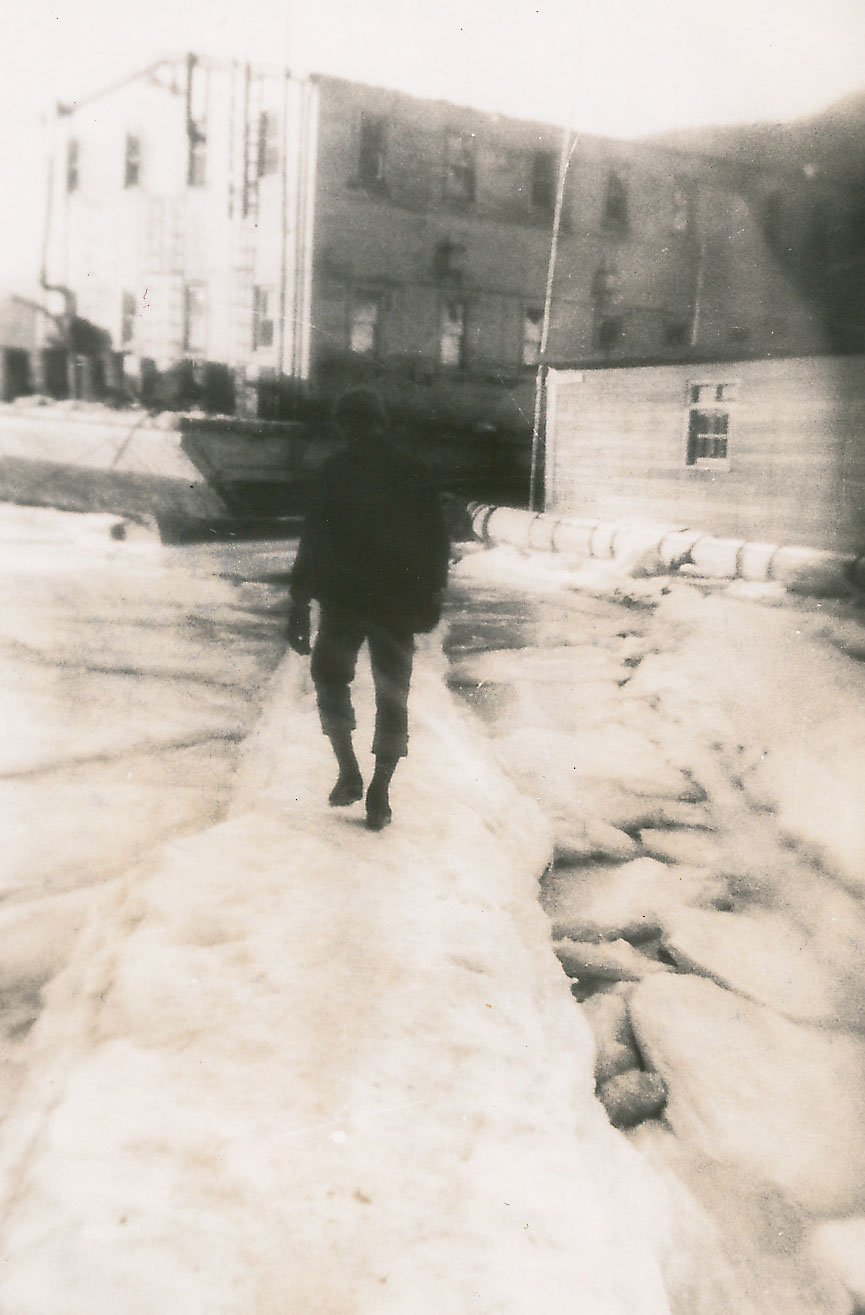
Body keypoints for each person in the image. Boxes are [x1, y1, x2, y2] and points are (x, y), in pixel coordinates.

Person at [286, 388, 450, 830]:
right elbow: (437, 542)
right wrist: (433, 595)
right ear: (382, 421)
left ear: (345, 424)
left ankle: (349, 772)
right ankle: (379, 791)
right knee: (393, 693)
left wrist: (299, 604)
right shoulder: (415, 471)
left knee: (330, 679)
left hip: (343, 602)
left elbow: (311, 541)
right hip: (396, 604)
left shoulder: (333, 471)